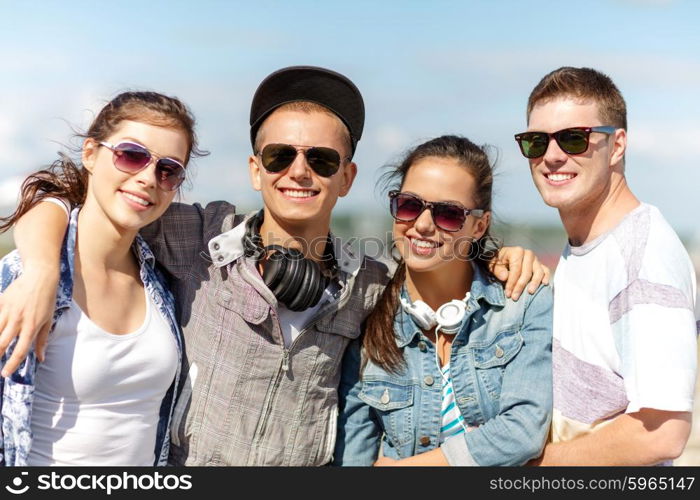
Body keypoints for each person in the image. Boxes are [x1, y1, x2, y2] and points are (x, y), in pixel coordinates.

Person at [1, 66, 548, 466]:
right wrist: (42, 266)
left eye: (322, 159)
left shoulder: (370, 282)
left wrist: (495, 254)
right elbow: (77, 202)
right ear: (255, 170)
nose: (300, 171)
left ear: (347, 178)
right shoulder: (196, 236)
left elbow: (437, 263)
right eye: (280, 156)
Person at [0, 91, 202, 465]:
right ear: (90, 153)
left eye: (168, 169)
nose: (147, 178)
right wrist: (43, 269)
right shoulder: (24, 277)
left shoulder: (164, 279)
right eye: (131, 155)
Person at [514, 67, 697, 465]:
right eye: (535, 143)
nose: (552, 156)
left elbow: (662, 432)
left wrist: (530, 468)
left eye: (574, 138)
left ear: (616, 146)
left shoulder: (642, 255)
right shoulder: (589, 245)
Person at [333, 135, 553, 466]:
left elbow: (522, 432)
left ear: (479, 226)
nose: (421, 225)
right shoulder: (366, 322)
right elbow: (352, 459)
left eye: (448, 214)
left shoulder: (523, 304)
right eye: (408, 205)